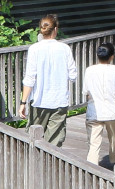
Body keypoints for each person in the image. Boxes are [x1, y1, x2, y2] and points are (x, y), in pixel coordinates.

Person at [19, 14, 76, 145]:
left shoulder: (34, 49)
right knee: (55, 144)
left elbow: (29, 79)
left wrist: (23, 102)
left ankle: (33, 165)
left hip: (39, 101)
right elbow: (73, 76)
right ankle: (52, 165)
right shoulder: (64, 49)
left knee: (33, 139)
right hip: (59, 101)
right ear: (55, 30)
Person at [83, 42, 115, 168]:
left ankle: (91, 166)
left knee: (93, 142)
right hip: (113, 111)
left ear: (97, 56)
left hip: (94, 111)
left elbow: (86, 92)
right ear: (112, 56)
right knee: (114, 138)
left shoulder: (89, 70)